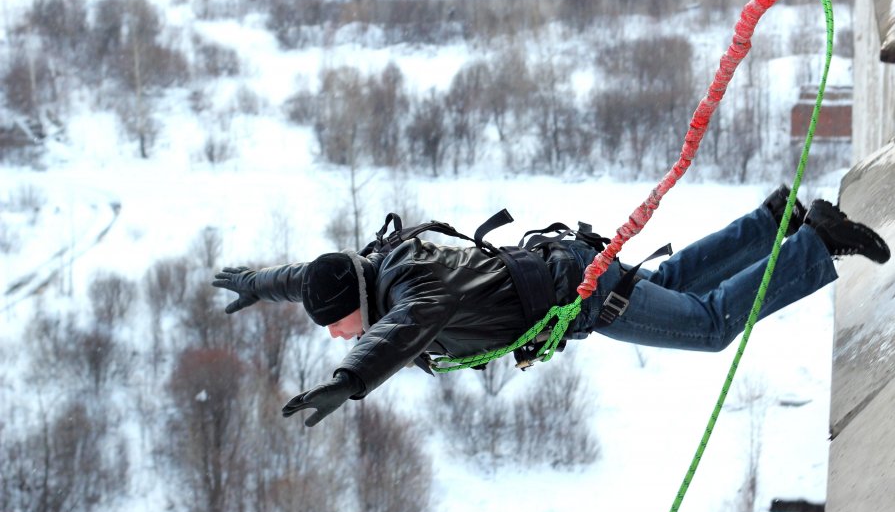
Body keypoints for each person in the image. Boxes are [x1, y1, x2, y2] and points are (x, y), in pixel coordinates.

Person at [213, 187, 890, 427]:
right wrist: (259, 279)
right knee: (671, 285)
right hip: (566, 266)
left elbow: (400, 332)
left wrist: (347, 380)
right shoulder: (375, 264)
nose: (336, 336)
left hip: (577, 295)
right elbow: (313, 274)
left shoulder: (412, 294)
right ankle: (773, 223)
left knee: (708, 325)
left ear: (357, 304)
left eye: (335, 327)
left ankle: (811, 242)